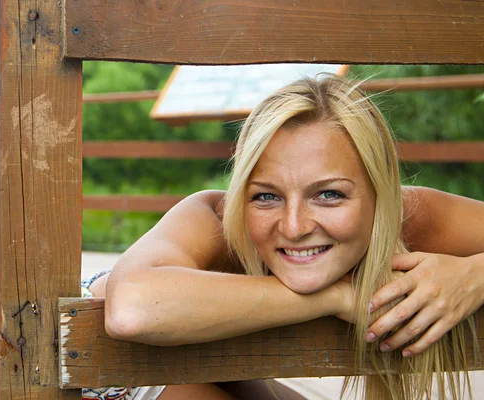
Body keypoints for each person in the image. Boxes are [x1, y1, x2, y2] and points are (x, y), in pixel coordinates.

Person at [84, 75, 484, 400]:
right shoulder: (215, 220)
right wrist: (339, 296)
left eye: (328, 194)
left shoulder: (411, 216)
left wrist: (472, 276)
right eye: (266, 196)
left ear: (380, 195)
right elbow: (131, 309)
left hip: (209, 365)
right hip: (107, 371)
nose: (293, 226)